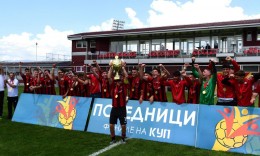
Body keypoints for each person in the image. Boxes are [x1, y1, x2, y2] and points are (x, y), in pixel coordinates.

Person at [108, 59, 128, 144]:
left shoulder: (124, 84)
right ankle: (113, 138)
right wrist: (111, 67)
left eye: (120, 77)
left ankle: (123, 138)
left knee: (123, 125)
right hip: (114, 108)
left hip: (122, 108)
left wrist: (123, 68)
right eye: (117, 78)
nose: (118, 79)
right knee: (111, 125)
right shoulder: (113, 85)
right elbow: (109, 77)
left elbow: (126, 76)